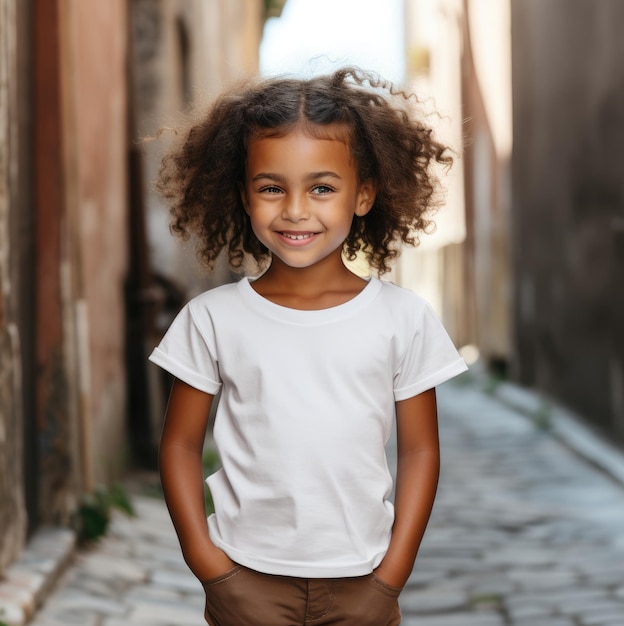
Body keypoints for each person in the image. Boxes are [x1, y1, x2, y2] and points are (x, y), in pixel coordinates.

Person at [149, 67, 468, 626]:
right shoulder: (212, 319)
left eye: (322, 187)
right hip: (246, 583)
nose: (296, 210)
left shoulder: (403, 318)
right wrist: (210, 568)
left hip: (364, 586)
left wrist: (391, 578)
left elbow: (421, 451)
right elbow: (178, 446)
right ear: (244, 196)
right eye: (272, 188)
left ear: (364, 194)